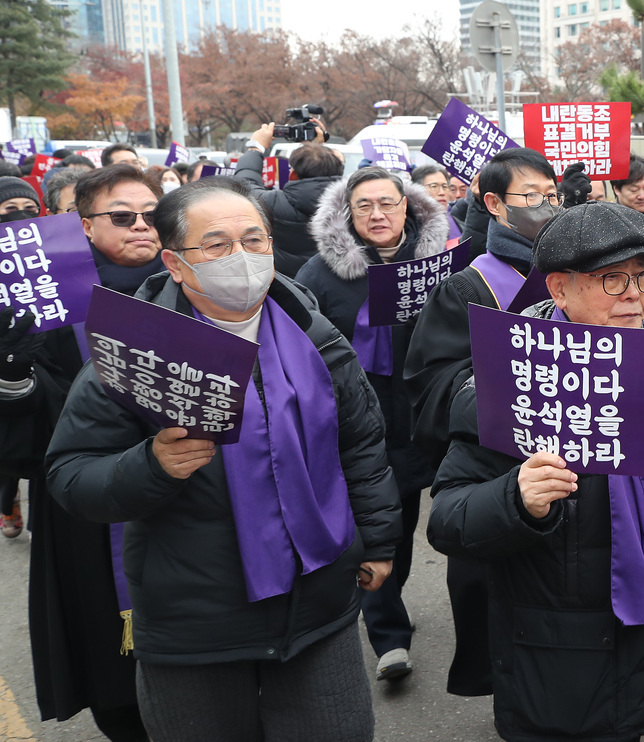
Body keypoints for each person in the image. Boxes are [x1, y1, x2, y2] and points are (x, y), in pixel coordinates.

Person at [46, 176, 401, 742]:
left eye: (255, 240)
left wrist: (379, 542)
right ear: (176, 263)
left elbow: (359, 445)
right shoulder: (135, 350)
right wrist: (152, 464)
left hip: (318, 608)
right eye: (216, 244)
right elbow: (71, 474)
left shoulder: (315, 333)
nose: (241, 257)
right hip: (195, 625)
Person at [428, 201, 644, 741]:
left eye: (642, 278)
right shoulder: (511, 381)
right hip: (559, 656)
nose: (634, 295)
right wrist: (515, 499)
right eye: (611, 280)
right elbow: (447, 518)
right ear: (558, 289)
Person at [0, 164, 166, 741]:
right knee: (115, 667)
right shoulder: (50, 307)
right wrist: (13, 369)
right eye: (123, 217)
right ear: (84, 227)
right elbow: (27, 438)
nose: (142, 227)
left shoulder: (201, 284)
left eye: (153, 215)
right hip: (90, 510)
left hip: (195, 491)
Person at [403, 147, 561, 698]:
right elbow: (430, 385)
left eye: (552, 194)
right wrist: (510, 386)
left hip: (572, 465)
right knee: (501, 611)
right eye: (530, 196)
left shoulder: (574, 272)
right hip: (497, 468)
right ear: (493, 204)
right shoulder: (469, 288)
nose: (545, 205)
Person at [297, 166, 448, 682]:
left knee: (401, 523)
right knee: (370, 519)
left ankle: (391, 593)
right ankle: (388, 633)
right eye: (364, 206)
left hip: (418, 416)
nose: (377, 214)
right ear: (347, 213)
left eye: (387, 203)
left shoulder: (437, 265)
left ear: (408, 207)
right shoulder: (319, 274)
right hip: (352, 421)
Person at [235, 124, 345, 277]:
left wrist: (255, 148)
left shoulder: (273, 204)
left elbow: (244, 184)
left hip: (290, 287)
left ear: (292, 175)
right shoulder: (355, 204)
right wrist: (316, 150)